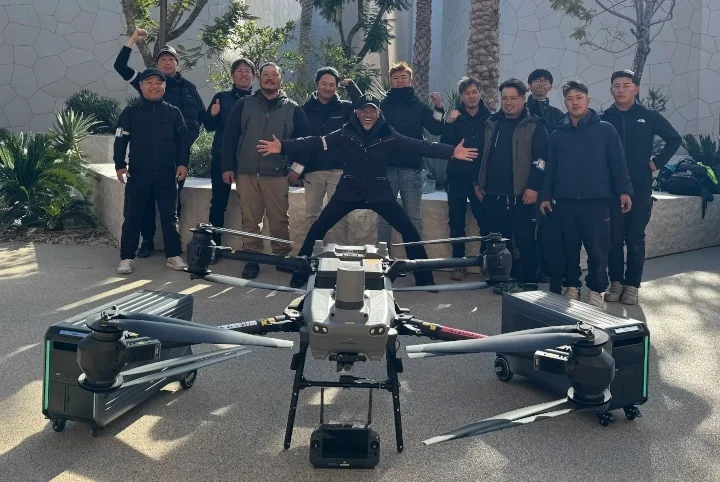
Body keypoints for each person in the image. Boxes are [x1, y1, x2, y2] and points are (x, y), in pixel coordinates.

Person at [257, 94, 478, 289]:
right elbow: (315, 142)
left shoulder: (389, 135)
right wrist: (283, 147)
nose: (368, 114)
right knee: (318, 228)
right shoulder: (345, 133)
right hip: (348, 191)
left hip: (379, 192)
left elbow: (419, 146)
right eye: (364, 110)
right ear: (357, 112)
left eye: (372, 110)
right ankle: (300, 273)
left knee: (409, 230)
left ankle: (424, 278)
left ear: (378, 112)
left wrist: (452, 152)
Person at [540, 81, 633, 309]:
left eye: (579, 97)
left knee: (598, 250)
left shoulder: (605, 130)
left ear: (588, 100)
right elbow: (550, 169)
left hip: (597, 203)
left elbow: (618, 163)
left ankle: (596, 290)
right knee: (569, 250)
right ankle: (572, 286)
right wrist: (545, 195)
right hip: (565, 202)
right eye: (570, 99)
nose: (575, 102)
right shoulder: (557, 134)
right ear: (565, 102)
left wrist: (624, 191)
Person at [114, 28, 206, 258]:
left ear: (177, 63)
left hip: (177, 158)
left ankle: (172, 250)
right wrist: (132, 40)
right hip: (147, 157)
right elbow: (120, 67)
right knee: (143, 204)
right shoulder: (148, 83)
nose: (167, 62)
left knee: (172, 206)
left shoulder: (189, 88)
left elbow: (203, 117)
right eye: (163, 59)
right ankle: (147, 242)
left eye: (171, 59)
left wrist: (217, 114)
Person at [221, 62, 312, 279]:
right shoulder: (244, 104)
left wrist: (297, 169)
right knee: (250, 220)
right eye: (266, 74)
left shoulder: (293, 109)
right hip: (247, 173)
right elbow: (230, 137)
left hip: (278, 174)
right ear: (259, 78)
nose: (270, 78)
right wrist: (228, 167)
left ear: (280, 79)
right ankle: (253, 258)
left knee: (279, 220)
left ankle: (282, 257)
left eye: (274, 75)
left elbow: (306, 143)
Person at [601, 70, 682, 305]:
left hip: (640, 186)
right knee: (614, 239)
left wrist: (656, 163)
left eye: (626, 85)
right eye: (616, 85)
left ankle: (632, 286)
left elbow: (674, 139)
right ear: (611, 89)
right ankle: (616, 282)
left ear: (636, 89)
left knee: (635, 239)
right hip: (612, 189)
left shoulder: (648, 116)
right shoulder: (605, 118)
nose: (621, 90)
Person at [474, 79, 549, 294]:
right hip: (493, 194)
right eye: (504, 98)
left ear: (523, 98)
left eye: (513, 98)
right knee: (498, 241)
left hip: (522, 195)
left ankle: (528, 281)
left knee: (525, 239)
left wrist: (533, 187)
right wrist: (478, 182)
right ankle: (502, 280)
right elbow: (480, 154)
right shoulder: (490, 123)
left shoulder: (535, 125)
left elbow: (541, 160)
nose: (508, 103)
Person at [114, 68, 189, 275]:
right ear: (141, 86)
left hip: (167, 173)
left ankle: (173, 256)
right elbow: (120, 139)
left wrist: (183, 163)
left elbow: (183, 141)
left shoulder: (174, 112)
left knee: (170, 216)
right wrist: (120, 165)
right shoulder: (131, 111)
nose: (154, 86)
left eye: (159, 83)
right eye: (149, 82)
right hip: (138, 173)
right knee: (132, 217)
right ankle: (126, 258)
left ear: (165, 86)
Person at [377, 61, 445, 249]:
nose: (400, 81)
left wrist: (439, 108)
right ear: (390, 81)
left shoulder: (419, 107)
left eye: (403, 77)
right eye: (395, 78)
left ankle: (416, 260)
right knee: (384, 217)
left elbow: (436, 128)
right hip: (385, 170)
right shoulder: (382, 106)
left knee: (413, 218)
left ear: (410, 81)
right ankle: (381, 259)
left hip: (412, 170)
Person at [300, 67, 362, 245]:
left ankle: (337, 255)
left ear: (336, 87)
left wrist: (351, 86)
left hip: (339, 171)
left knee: (339, 216)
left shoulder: (345, 108)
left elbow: (363, 107)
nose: (327, 88)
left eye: (332, 85)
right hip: (313, 170)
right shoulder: (305, 109)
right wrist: (297, 168)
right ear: (316, 84)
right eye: (324, 84)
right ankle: (310, 254)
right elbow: (299, 140)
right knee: (312, 215)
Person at [440, 76, 491, 281]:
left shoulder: (490, 119)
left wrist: (480, 181)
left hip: (482, 180)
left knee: (486, 220)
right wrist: (448, 123)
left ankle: (486, 261)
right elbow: (444, 146)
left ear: (480, 93)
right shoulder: (455, 118)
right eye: (467, 93)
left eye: (474, 92)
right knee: (456, 222)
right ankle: (458, 263)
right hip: (457, 178)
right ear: (461, 96)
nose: (471, 96)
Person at [203, 58, 256, 255]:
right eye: (239, 71)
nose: (244, 74)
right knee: (218, 202)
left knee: (251, 205)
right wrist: (212, 114)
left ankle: (250, 248)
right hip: (221, 157)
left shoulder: (259, 100)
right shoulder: (221, 97)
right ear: (233, 75)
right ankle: (214, 246)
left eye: (247, 71)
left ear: (253, 76)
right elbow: (208, 126)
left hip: (249, 159)